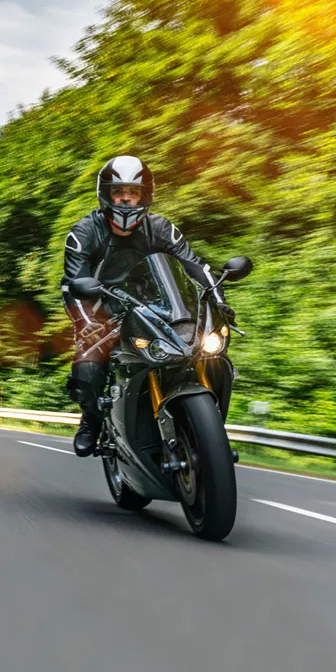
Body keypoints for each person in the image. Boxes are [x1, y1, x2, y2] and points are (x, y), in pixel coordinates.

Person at [61, 155, 236, 457]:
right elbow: (72, 284)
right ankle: (90, 419)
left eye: (134, 192)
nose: (126, 198)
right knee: (89, 370)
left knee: (209, 351)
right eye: (119, 192)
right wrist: (86, 322)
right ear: (106, 194)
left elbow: (194, 266)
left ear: (146, 195)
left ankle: (210, 434)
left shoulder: (162, 228)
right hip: (106, 312)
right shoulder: (84, 232)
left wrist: (219, 302)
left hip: (160, 308)